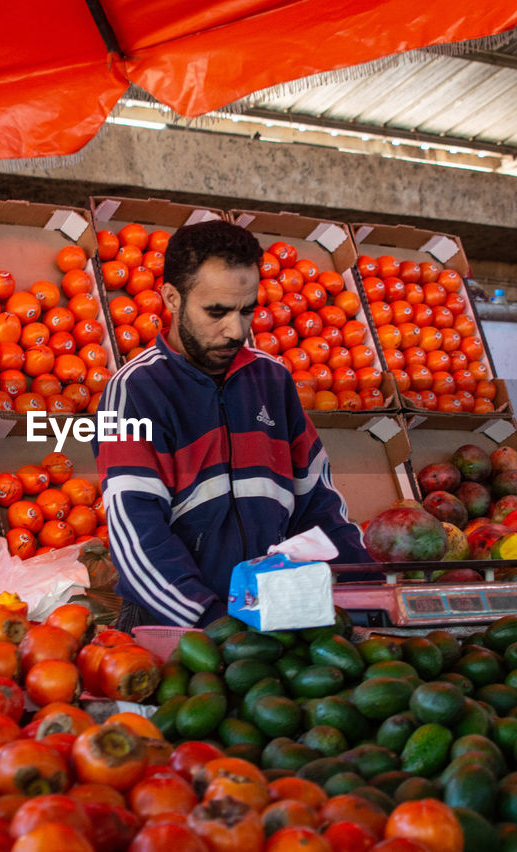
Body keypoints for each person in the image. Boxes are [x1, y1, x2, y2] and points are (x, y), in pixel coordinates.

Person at [93, 220, 374, 629]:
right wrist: (211, 621)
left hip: (273, 614)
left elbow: (318, 501)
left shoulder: (272, 381)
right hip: (175, 625)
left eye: (247, 311)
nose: (236, 331)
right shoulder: (136, 391)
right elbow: (137, 536)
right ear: (172, 298)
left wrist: (365, 586)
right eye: (217, 312)